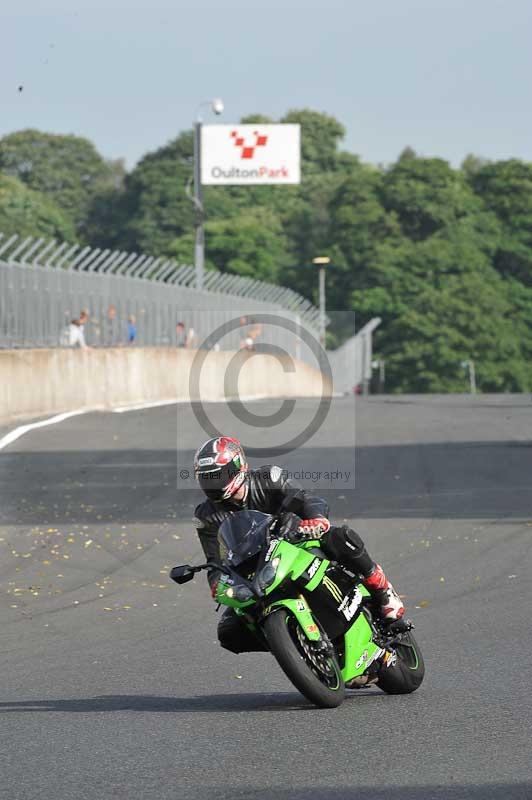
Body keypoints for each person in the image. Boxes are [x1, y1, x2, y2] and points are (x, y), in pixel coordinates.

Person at [194, 436, 405, 655]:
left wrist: (316, 518)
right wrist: (217, 583)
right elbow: (214, 561)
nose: (214, 483)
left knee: (340, 536)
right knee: (229, 631)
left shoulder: (269, 478)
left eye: (219, 476)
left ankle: (381, 589)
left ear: (239, 466)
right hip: (254, 569)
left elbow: (305, 499)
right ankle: (295, 648)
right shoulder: (206, 516)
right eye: (208, 478)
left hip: (297, 542)